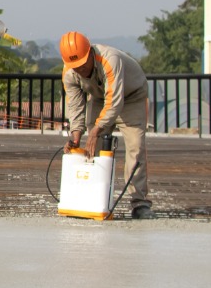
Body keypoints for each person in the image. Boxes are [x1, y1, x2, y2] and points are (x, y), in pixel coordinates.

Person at [60, 31, 152, 219]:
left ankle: (140, 203)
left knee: (136, 147)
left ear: (90, 54)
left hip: (131, 97)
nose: (80, 70)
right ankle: (93, 199)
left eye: (82, 64)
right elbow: (75, 105)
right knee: (92, 150)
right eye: (75, 67)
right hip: (100, 98)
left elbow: (115, 101)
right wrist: (76, 135)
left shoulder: (110, 59)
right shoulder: (70, 72)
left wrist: (95, 129)